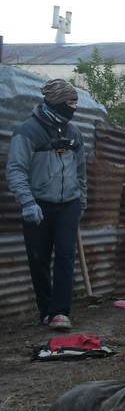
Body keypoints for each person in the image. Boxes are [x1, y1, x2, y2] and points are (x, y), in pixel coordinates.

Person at [6, 78, 87, 331]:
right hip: (38, 205)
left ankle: (60, 312)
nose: (74, 108)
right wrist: (27, 201)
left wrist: (81, 201)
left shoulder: (73, 132)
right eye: (70, 103)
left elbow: (81, 171)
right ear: (56, 103)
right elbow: (16, 169)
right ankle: (46, 310)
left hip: (68, 204)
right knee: (39, 258)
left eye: (75, 103)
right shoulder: (28, 131)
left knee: (65, 254)